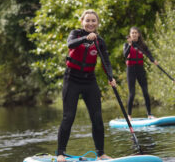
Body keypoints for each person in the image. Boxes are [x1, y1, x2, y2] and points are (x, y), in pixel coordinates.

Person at [57, 10, 116, 162]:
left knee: (97, 117)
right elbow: (70, 44)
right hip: (72, 79)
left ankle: (101, 154)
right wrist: (85, 38)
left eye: (93, 21)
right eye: (87, 20)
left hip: (89, 80)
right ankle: (60, 153)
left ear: (97, 23)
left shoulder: (100, 41)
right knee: (68, 116)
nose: (90, 23)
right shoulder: (75, 34)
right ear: (82, 22)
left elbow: (106, 62)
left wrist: (110, 76)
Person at [123, 27, 158, 120]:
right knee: (132, 93)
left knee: (146, 92)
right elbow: (125, 55)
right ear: (130, 35)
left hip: (140, 69)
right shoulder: (126, 45)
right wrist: (130, 45)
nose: (134, 34)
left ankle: (149, 114)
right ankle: (129, 115)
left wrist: (153, 60)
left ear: (138, 34)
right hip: (131, 70)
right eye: (132, 33)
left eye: (135, 33)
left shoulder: (142, 45)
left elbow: (148, 54)